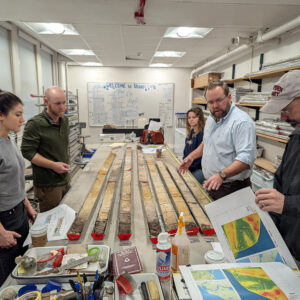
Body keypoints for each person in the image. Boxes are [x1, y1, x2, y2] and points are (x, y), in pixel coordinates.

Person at [178, 81, 256, 200]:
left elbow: (246, 159)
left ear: (229, 97)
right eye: (210, 102)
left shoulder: (241, 122)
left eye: (219, 100)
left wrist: (222, 175)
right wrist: (191, 157)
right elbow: (206, 144)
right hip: (213, 184)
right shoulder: (212, 118)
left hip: (232, 189)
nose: (215, 106)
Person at [255, 70, 300, 268]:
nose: (282, 117)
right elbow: (280, 184)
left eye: (286, 108)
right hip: (289, 246)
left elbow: (287, 201)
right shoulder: (296, 138)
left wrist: (287, 204)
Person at [0, 90, 37, 286]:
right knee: (7, 280)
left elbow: (13, 181)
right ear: (1, 115)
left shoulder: (9, 140)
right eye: (17, 114)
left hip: (19, 214)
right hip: (4, 221)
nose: (23, 120)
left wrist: (27, 205)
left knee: (24, 270)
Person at [21, 86, 70, 212]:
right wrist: (53, 165)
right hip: (48, 185)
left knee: (66, 219)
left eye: (64, 102)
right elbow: (28, 152)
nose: (62, 107)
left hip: (65, 179)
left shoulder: (64, 121)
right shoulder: (35, 124)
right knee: (51, 223)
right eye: (58, 103)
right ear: (46, 101)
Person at [183, 107, 205, 184]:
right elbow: (185, 152)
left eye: (194, 117)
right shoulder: (191, 132)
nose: (191, 120)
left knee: (187, 184)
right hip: (189, 167)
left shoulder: (202, 134)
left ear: (199, 118)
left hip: (199, 169)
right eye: (189, 118)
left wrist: (188, 168)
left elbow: (200, 157)